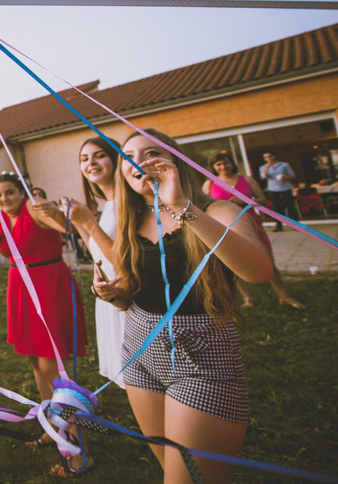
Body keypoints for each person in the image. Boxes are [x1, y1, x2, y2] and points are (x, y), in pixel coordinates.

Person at [98, 130, 273, 484]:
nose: (138, 161)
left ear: (176, 162)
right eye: (128, 155)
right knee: (173, 472)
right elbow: (133, 290)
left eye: (150, 153)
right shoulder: (132, 219)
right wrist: (113, 294)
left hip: (202, 357)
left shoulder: (218, 209)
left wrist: (180, 205)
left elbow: (259, 271)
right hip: (140, 352)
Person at [0, 173, 92, 478]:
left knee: (54, 370)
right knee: (35, 364)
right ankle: (51, 428)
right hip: (21, 287)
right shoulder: (1, 216)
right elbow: (17, 253)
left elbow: (70, 228)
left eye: (10, 193)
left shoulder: (34, 208)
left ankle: (79, 452)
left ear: (22, 192)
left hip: (47, 287)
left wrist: (57, 212)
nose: (5, 199)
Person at [58, 137, 125, 389]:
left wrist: (89, 223)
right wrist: (79, 222)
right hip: (107, 299)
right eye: (84, 159)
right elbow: (98, 251)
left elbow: (121, 261)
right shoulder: (108, 205)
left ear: (116, 159)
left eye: (99, 155)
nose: (91, 163)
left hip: (126, 295)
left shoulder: (127, 204)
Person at [203, 151, 305, 309]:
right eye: (219, 164)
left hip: (251, 225)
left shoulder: (246, 179)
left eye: (226, 163)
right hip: (225, 227)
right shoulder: (209, 184)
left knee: (266, 258)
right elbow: (204, 207)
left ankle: (284, 296)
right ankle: (248, 298)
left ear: (232, 163)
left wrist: (247, 201)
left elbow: (263, 199)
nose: (223, 167)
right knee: (235, 263)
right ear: (214, 167)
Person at [259, 152, 299, 231]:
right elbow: (263, 177)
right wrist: (267, 168)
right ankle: (279, 225)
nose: (268, 158)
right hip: (273, 189)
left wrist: (285, 177)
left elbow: (292, 175)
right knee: (276, 207)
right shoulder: (263, 167)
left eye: (269, 156)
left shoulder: (284, 165)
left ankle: (295, 225)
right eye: (266, 157)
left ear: (274, 156)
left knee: (290, 206)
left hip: (285, 187)